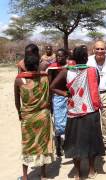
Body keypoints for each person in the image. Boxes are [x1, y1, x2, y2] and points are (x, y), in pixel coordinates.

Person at [50, 46, 105, 179]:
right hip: (91, 111)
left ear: (73, 58)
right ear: (86, 58)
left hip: (73, 112)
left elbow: (52, 87)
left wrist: (65, 93)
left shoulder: (66, 71)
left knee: (74, 143)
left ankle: (78, 173)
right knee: (91, 141)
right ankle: (92, 170)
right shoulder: (93, 71)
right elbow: (95, 87)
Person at [14, 51, 55, 180]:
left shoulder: (19, 79)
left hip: (28, 116)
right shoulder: (45, 77)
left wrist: (20, 114)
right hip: (43, 116)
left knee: (27, 145)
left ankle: (25, 176)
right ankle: (43, 174)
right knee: (43, 144)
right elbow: (49, 97)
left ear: (25, 64)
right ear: (38, 64)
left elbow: (17, 101)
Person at [47, 48, 69, 157]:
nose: (59, 58)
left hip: (69, 96)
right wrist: (50, 101)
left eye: (61, 56)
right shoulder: (52, 68)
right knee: (58, 123)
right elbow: (50, 85)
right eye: (57, 56)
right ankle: (58, 147)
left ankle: (67, 145)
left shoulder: (69, 66)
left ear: (66, 56)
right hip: (57, 97)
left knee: (69, 121)